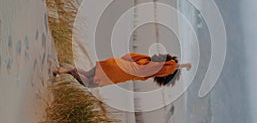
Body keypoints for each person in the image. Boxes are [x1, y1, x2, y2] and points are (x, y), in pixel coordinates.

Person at [55, 53, 191, 87]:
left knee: (88, 74)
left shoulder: (147, 60)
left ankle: (67, 70)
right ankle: (70, 70)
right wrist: (184, 66)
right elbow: (171, 66)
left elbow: (128, 55)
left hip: (114, 62)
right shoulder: (152, 69)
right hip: (116, 72)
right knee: (89, 84)